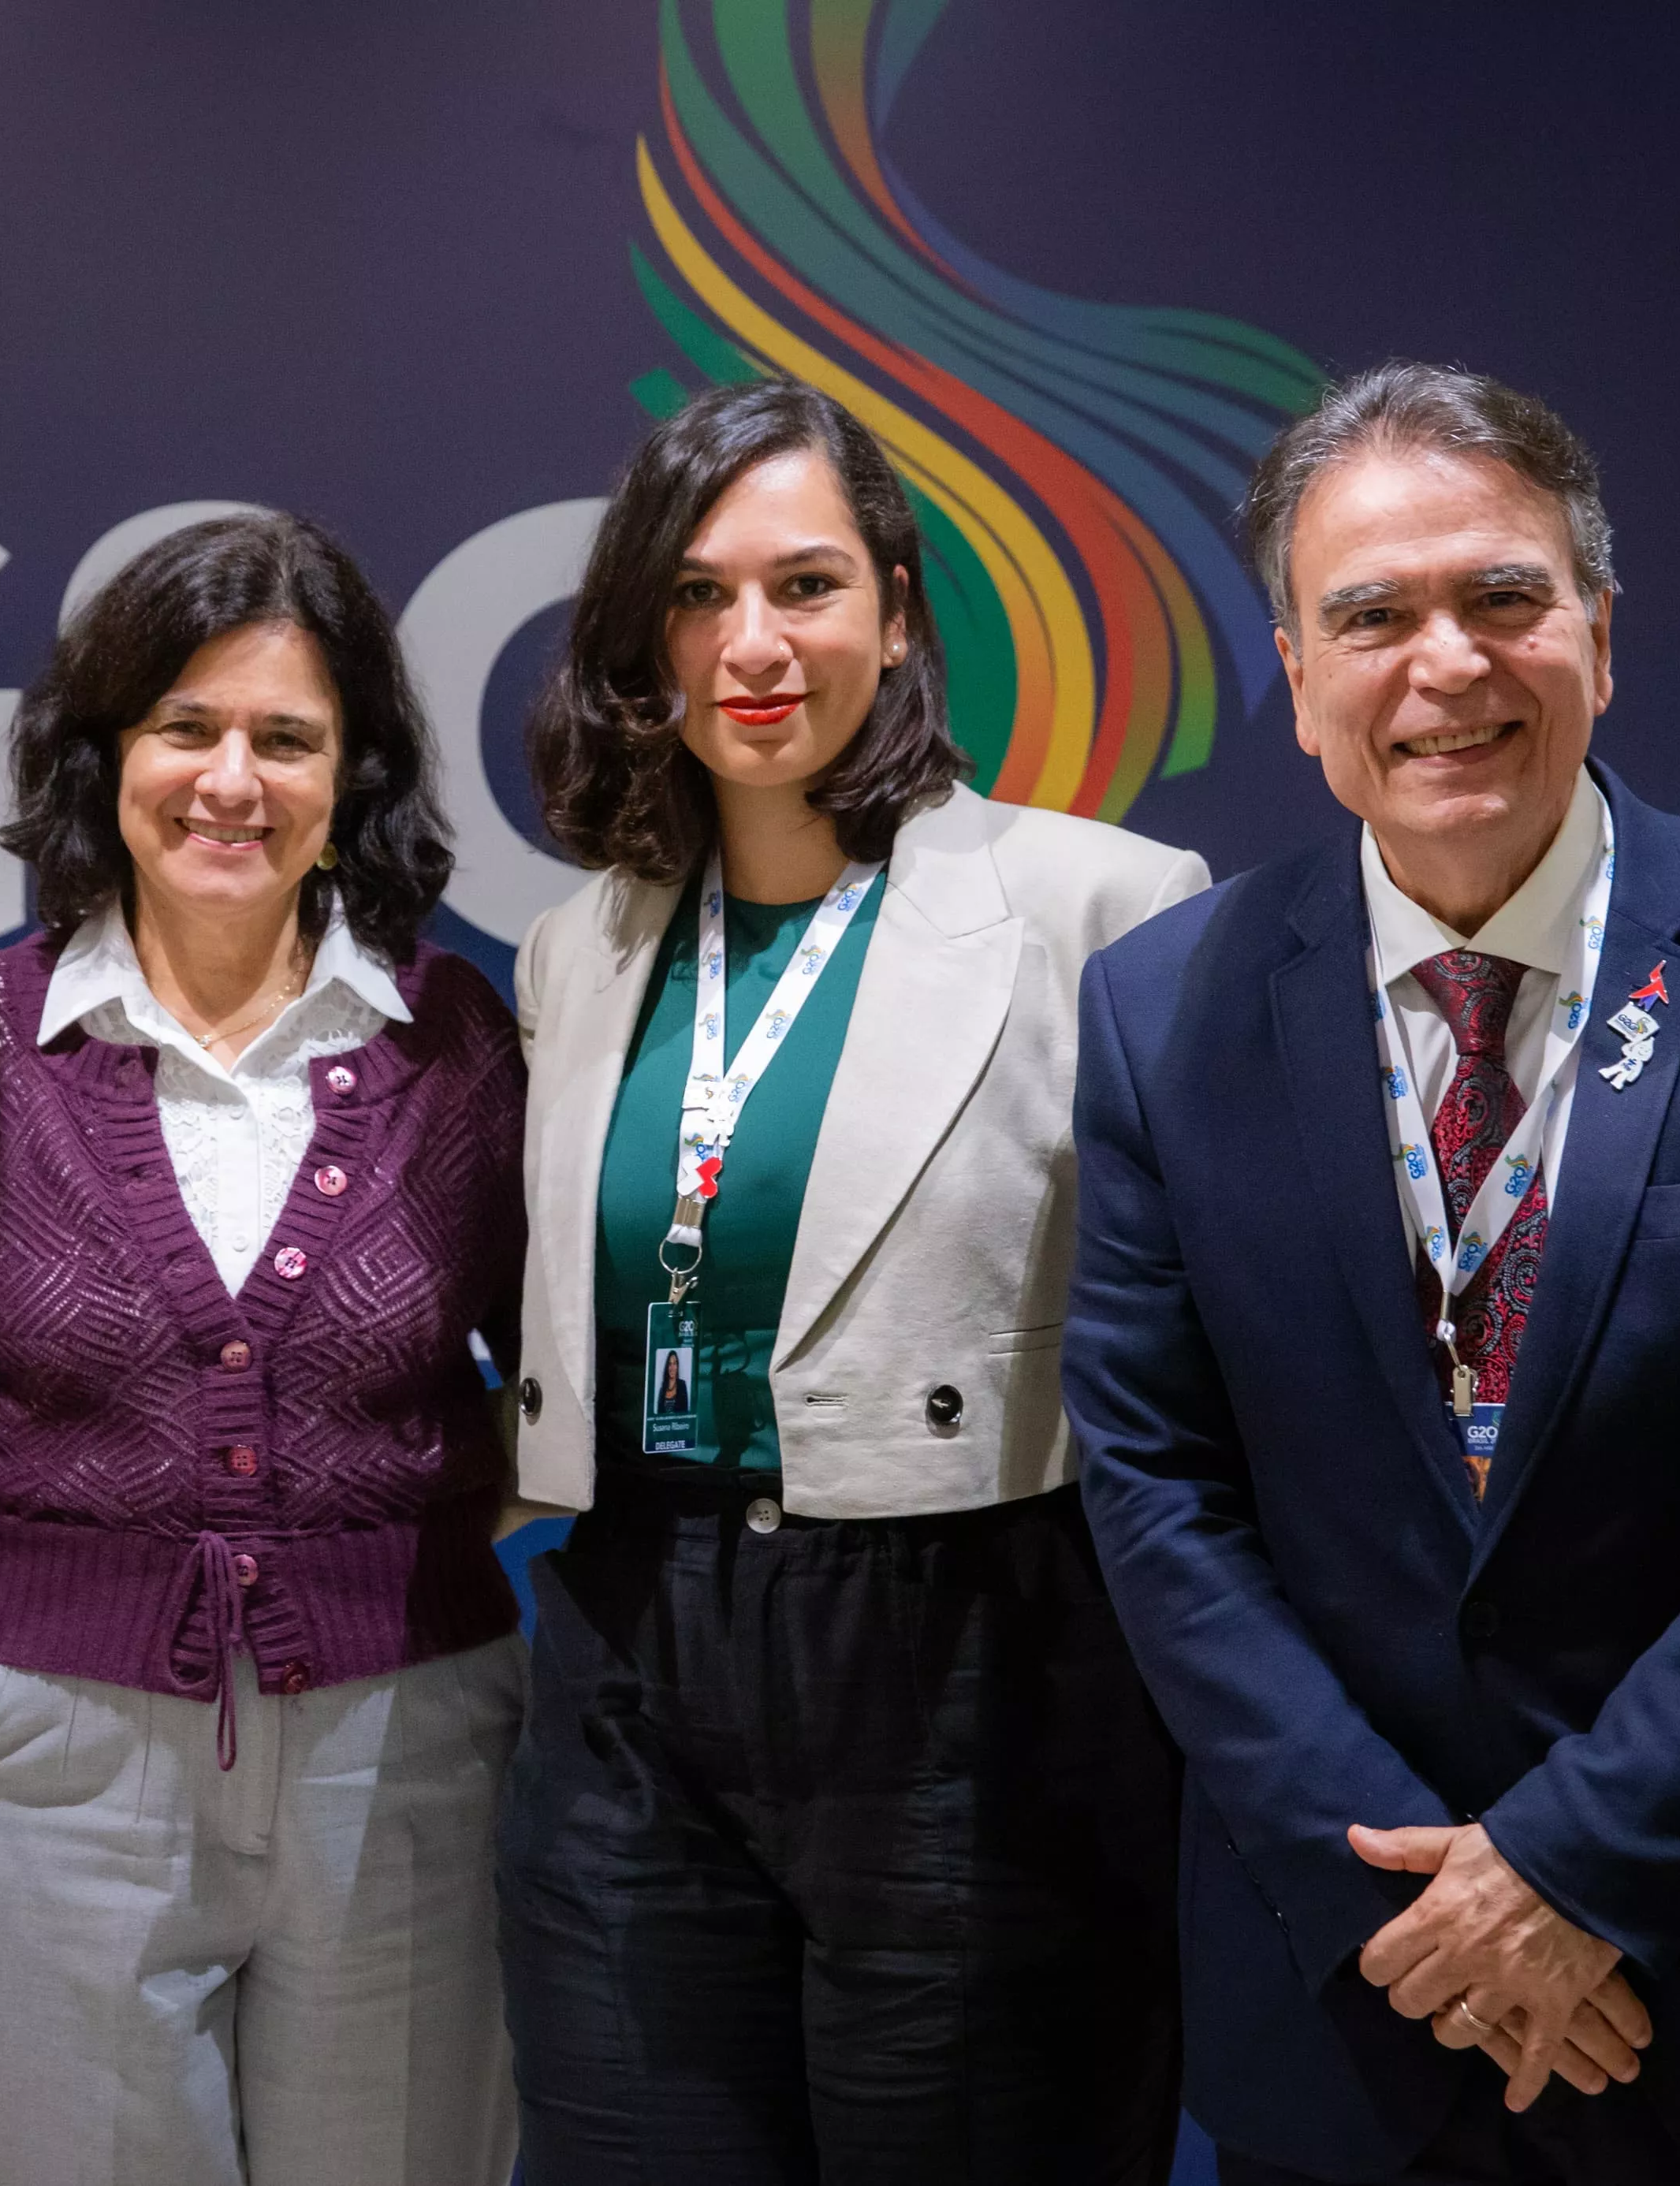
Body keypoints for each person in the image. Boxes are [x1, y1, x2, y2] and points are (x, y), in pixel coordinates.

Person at [1065, 360, 1680, 2186]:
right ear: (1292, 674)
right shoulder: (1154, 1008)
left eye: (1501, 596)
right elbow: (1155, 1486)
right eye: (1370, 615)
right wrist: (1419, 1909)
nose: (1445, 665)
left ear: (1598, 631)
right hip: (1367, 2006)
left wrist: (1576, 1866)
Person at [496, 378, 1209, 2184]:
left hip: (970, 1656)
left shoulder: (1105, 911)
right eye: (696, 592)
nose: (752, 643)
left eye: (806, 586)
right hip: (628, 1651)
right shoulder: (573, 949)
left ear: (897, 614)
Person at [0, 512, 530, 2186]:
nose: (232, 780)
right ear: (107, 754)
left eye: (287, 739)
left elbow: (571, 1370)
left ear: (349, 778)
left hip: (405, 1747)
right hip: (54, 1756)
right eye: (185, 727)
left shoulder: (455, 1046)